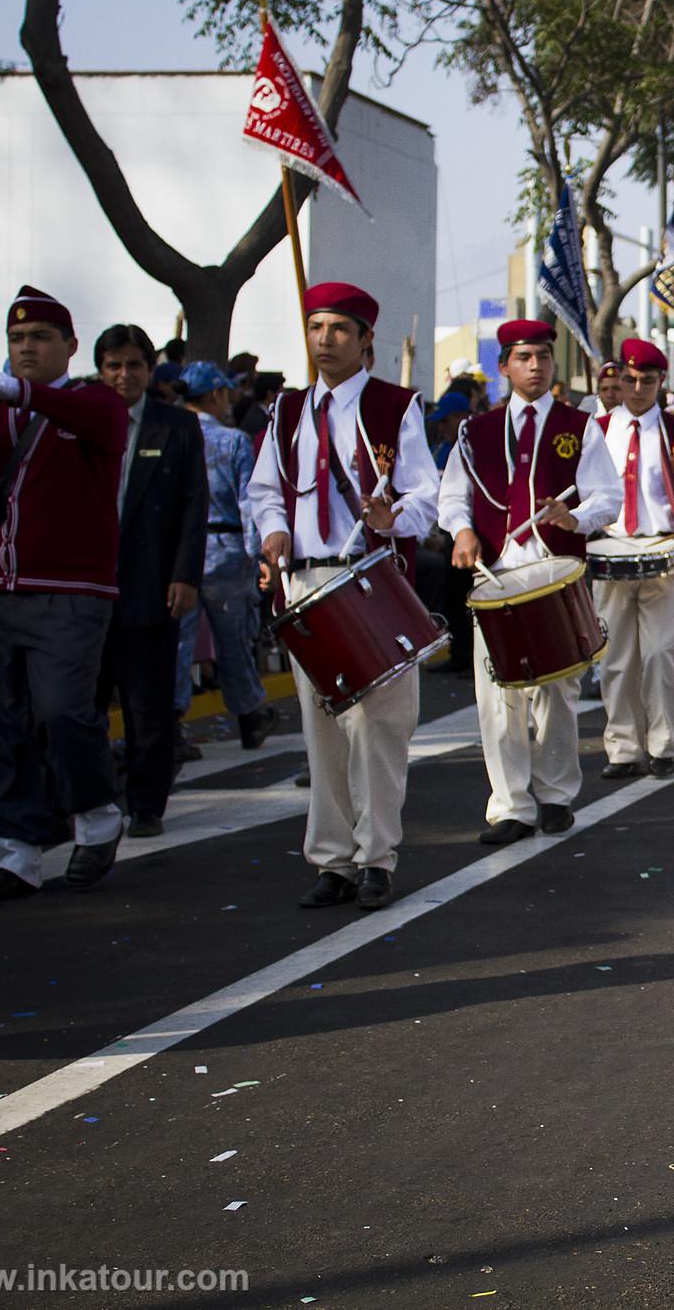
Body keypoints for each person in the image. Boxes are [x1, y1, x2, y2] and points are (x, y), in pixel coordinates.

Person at [0, 287, 128, 900]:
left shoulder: (92, 402)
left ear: (68, 346)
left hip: (69, 591)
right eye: (17, 340)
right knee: (2, 723)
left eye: (40, 338)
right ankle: (17, 850)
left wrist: (25, 393)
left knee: (63, 711)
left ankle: (96, 815)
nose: (26, 348)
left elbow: (105, 428)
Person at [246, 281, 440, 911]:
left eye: (337, 329)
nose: (324, 340)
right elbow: (265, 489)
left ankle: (376, 856)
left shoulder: (395, 407)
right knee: (322, 726)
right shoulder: (286, 411)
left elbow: (426, 496)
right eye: (315, 328)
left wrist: (391, 517)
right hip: (305, 579)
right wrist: (273, 530)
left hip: (371, 576)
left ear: (364, 342)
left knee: (378, 727)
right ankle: (331, 860)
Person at [438, 319, 622, 844]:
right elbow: (453, 495)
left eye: (543, 356)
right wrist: (462, 530)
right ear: (504, 367)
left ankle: (557, 794)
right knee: (498, 692)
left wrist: (576, 519)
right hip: (495, 573)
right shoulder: (476, 431)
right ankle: (511, 804)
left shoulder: (578, 424)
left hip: (554, 572)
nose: (535, 366)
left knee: (559, 689)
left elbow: (606, 497)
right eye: (523, 358)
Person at [92, 324, 207, 838]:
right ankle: (85, 797)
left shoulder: (177, 426)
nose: (123, 375)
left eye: (133, 365)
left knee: (148, 703)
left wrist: (185, 575)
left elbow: (193, 505)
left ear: (149, 369)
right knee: (79, 703)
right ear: (99, 369)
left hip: (151, 581)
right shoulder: (81, 420)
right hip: (85, 585)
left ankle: (145, 803)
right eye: (113, 365)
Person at [592, 337, 674, 779]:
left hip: (663, 549)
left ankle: (664, 743)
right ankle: (623, 747)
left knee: (662, 654)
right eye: (628, 380)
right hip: (610, 551)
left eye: (646, 381)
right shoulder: (594, 429)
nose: (635, 389)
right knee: (615, 656)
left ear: (660, 382)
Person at [173, 361, 276, 752]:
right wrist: (258, 554)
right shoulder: (232, 441)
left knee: (178, 645)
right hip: (226, 552)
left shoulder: (171, 434)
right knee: (234, 641)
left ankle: (171, 722)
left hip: (180, 554)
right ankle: (250, 715)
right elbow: (248, 502)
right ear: (215, 394)